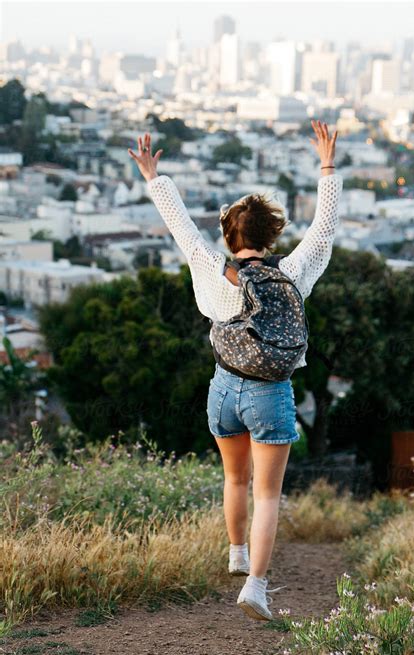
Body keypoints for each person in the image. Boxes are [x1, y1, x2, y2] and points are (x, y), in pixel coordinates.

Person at [128, 120, 343, 620]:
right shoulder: (290, 273)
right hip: (270, 392)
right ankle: (256, 588)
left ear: (228, 235)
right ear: (272, 236)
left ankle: (236, 553)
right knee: (268, 494)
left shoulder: (208, 264)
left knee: (235, 479)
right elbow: (324, 229)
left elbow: (180, 224)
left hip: (223, 389)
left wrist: (153, 176)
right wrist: (327, 165)